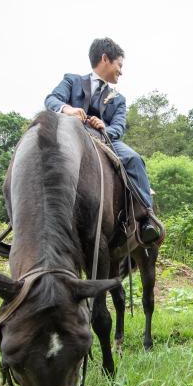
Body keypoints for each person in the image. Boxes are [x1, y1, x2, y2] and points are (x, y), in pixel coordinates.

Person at [44, 37, 161, 245]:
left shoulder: (119, 99)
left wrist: (105, 128)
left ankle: (146, 218)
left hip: (105, 140)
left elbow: (120, 126)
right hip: (69, 135)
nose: (121, 72)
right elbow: (51, 99)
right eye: (119, 65)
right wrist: (68, 109)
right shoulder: (71, 80)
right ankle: (18, 227)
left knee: (134, 159)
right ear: (105, 59)